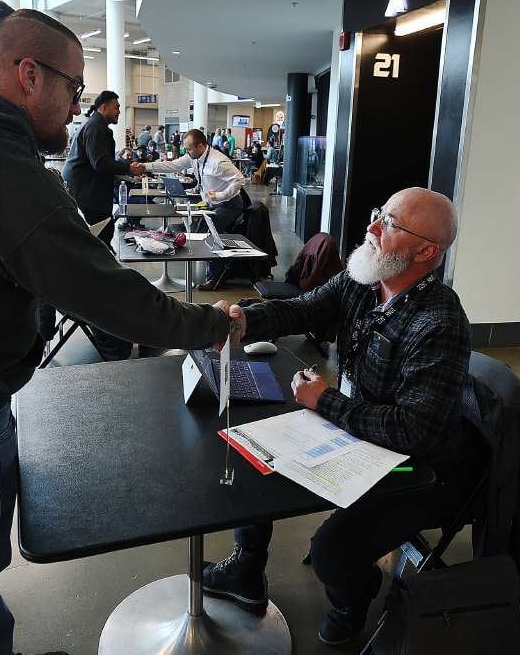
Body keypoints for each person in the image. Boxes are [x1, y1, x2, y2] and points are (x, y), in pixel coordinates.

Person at [0, 0, 242, 655]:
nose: (77, 107)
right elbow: (105, 292)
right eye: (74, 88)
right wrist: (209, 326)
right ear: (30, 75)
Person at [201, 188, 482, 648]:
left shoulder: (440, 322)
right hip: (361, 436)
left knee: (332, 550)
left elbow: (415, 430)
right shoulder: (365, 281)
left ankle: (355, 597)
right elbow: (302, 308)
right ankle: (246, 568)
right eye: (379, 214)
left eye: (390, 224)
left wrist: (326, 401)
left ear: (425, 252)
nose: (371, 228)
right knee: (255, 456)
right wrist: (241, 321)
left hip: (418, 469)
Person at [143, 128, 246, 288]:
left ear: (200, 146)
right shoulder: (194, 157)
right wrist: (145, 167)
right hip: (212, 203)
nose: (186, 152)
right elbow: (173, 165)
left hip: (229, 204)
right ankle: (213, 272)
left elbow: (239, 179)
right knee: (199, 231)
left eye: (189, 148)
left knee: (207, 233)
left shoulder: (218, 161)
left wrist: (220, 195)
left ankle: (216, 279)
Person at [63, 89, 132, 244]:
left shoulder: (97, 125)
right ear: (104, 107)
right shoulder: (95, 127)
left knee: (105, 231)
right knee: (101, 236)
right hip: (87, 194)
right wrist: (128, 168)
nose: (119, 112)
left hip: (88, 190)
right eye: (116, 107)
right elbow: (101, 163)